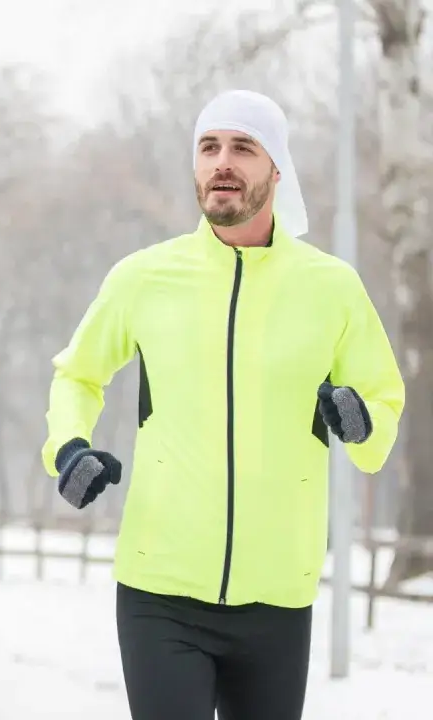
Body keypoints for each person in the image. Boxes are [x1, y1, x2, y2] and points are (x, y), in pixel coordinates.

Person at [40, 90, 405, 720]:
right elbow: (77, 375)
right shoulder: (145, 277)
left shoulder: (331, 288)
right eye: (209, 147)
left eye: (243, 147)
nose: (222, 163)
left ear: (275, 169)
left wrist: (361, 419)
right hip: (161, 589)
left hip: (278, 596)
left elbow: (383, 405)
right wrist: (68, 447)